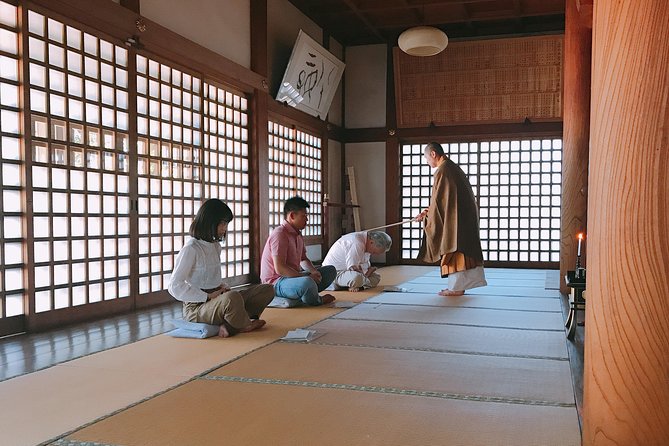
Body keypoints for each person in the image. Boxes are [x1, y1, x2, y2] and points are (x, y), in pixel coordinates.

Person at [169, 199, 274, 337]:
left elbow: (211, 277)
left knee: (267, 289)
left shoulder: (215, 246)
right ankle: (242, 325)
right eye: (222, 223)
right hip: (196, 308)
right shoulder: (191, 248)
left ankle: (232, 324)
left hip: (217, 299)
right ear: (209, 222)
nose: (225, 228)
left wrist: (222, 287)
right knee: (232, 299)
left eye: (226, 224)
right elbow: (174, 286)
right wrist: (207, 296)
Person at [415, 142, 487, 296]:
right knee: (461, 249)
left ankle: (456, 288)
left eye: (427, 158)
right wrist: (428, 212)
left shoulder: (444, 170)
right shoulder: (451, 168)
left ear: (433, 154)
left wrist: (428, 216)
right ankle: (457, 286)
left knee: (454, 249)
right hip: (460, 217)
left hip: (456, 220)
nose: (427, 163)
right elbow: (442, 200)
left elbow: (441, 202)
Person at [261, 196, 336, 306]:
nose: (307, 219)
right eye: (304, 216)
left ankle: (304, 294)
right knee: (307, 283)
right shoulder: (280, 234)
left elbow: (304, 259)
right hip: (276, 282)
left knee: (330, 271)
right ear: (292, 216)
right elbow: (280, 268)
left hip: (294, 277)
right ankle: (316, 300)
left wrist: (314, 272)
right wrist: (306, 277)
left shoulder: (297, 234)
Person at [322, 231, 392, 292]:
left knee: (376, 277)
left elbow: (364, 267)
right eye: (374, 252)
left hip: (348, 273)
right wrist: (368, 273)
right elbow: (353, 268)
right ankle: (353, 284)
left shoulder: (366, 244)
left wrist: (368, 272)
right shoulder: (356, 243)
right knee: (356, 278)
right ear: (371, 242)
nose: (375, 254)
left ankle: (352, 284)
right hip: (334, 273)